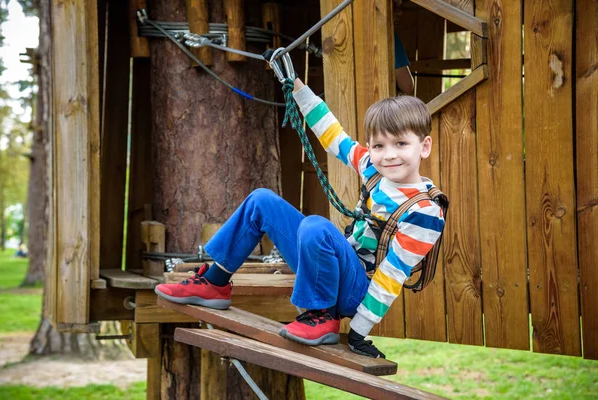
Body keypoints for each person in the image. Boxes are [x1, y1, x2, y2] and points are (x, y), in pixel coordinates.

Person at [154, 56, 445, 359]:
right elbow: (334, 137)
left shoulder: (424, 212)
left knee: (316, 226)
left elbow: (392, 275)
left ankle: (321, 317)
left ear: (424, 146)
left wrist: (359, 332)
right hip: (333, 269)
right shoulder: (372, 167)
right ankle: (214, 282)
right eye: (379, 146)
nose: (388, 155)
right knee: (261, 201)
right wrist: (297, 87)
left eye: (401, 144)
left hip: (356, 293)